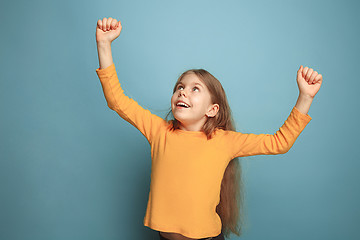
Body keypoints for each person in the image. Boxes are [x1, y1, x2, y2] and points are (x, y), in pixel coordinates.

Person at [95, 17, 323, 240]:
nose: (183, 92)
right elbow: (117, 100)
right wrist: (104, 44)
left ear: (212, 109)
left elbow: (279, 142)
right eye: (180, 87)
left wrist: (305, 97)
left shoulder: (224, 141)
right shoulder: (159, 131)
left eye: (195, 89)